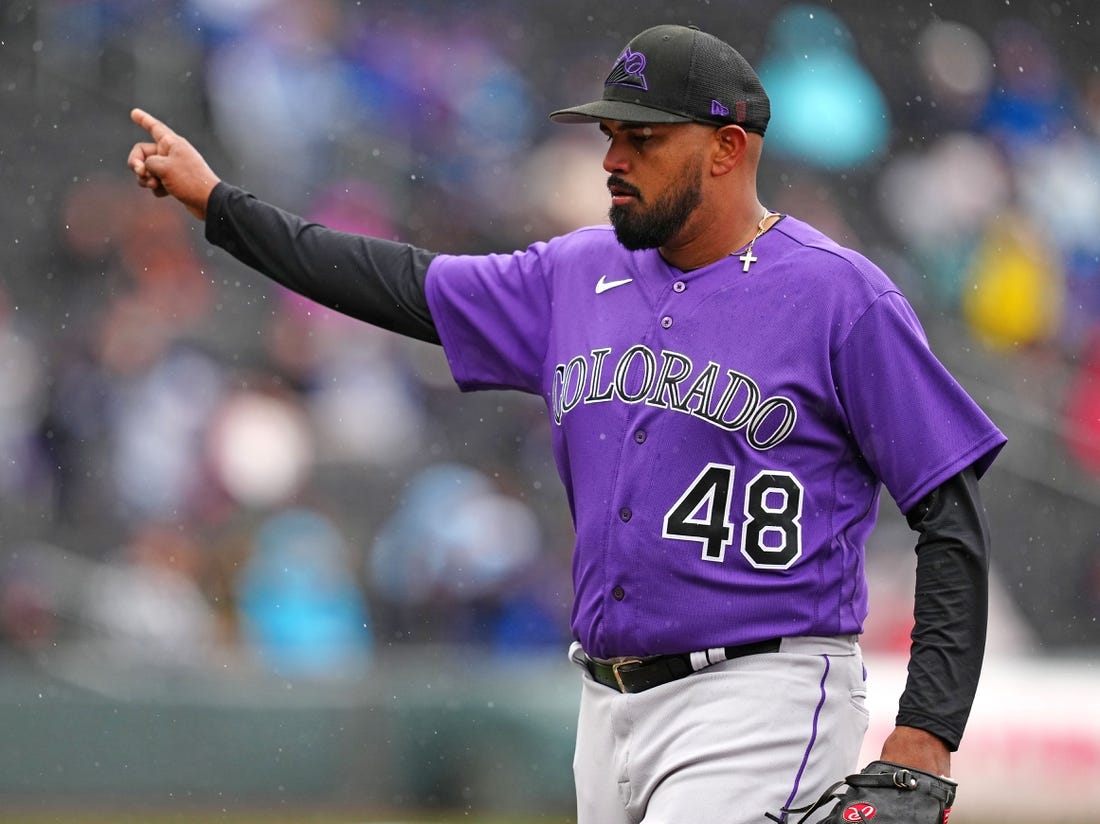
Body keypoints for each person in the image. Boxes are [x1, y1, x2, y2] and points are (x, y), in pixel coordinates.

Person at [127, 23, 1005, 824]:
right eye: (610, 136)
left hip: (761, 690)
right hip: (606, 702)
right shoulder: (573, 273)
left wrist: (927, 728)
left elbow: (948, 510)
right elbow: (393, 283)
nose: (613, 158)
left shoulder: (838, 295)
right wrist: (219, 206)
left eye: (643, 138)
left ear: (728, 149)